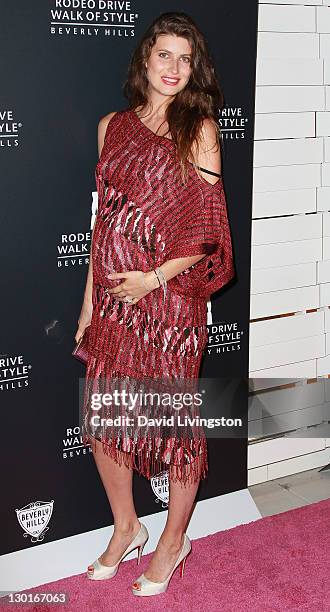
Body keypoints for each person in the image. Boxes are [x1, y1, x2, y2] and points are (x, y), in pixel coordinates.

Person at [75, 11, 235, 597]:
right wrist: (90, 307)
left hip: (169, 307)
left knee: (172, 428)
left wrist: (153, 279)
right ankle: (127, 528)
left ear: (195, 68)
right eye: (163, 55)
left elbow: (208, 235)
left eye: (184, 58)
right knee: (105, 419)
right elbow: (101, 229)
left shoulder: (199, 129)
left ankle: (173, 542)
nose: (173, 68)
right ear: (145, 60)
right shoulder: (111, 127)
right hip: (115, 305)